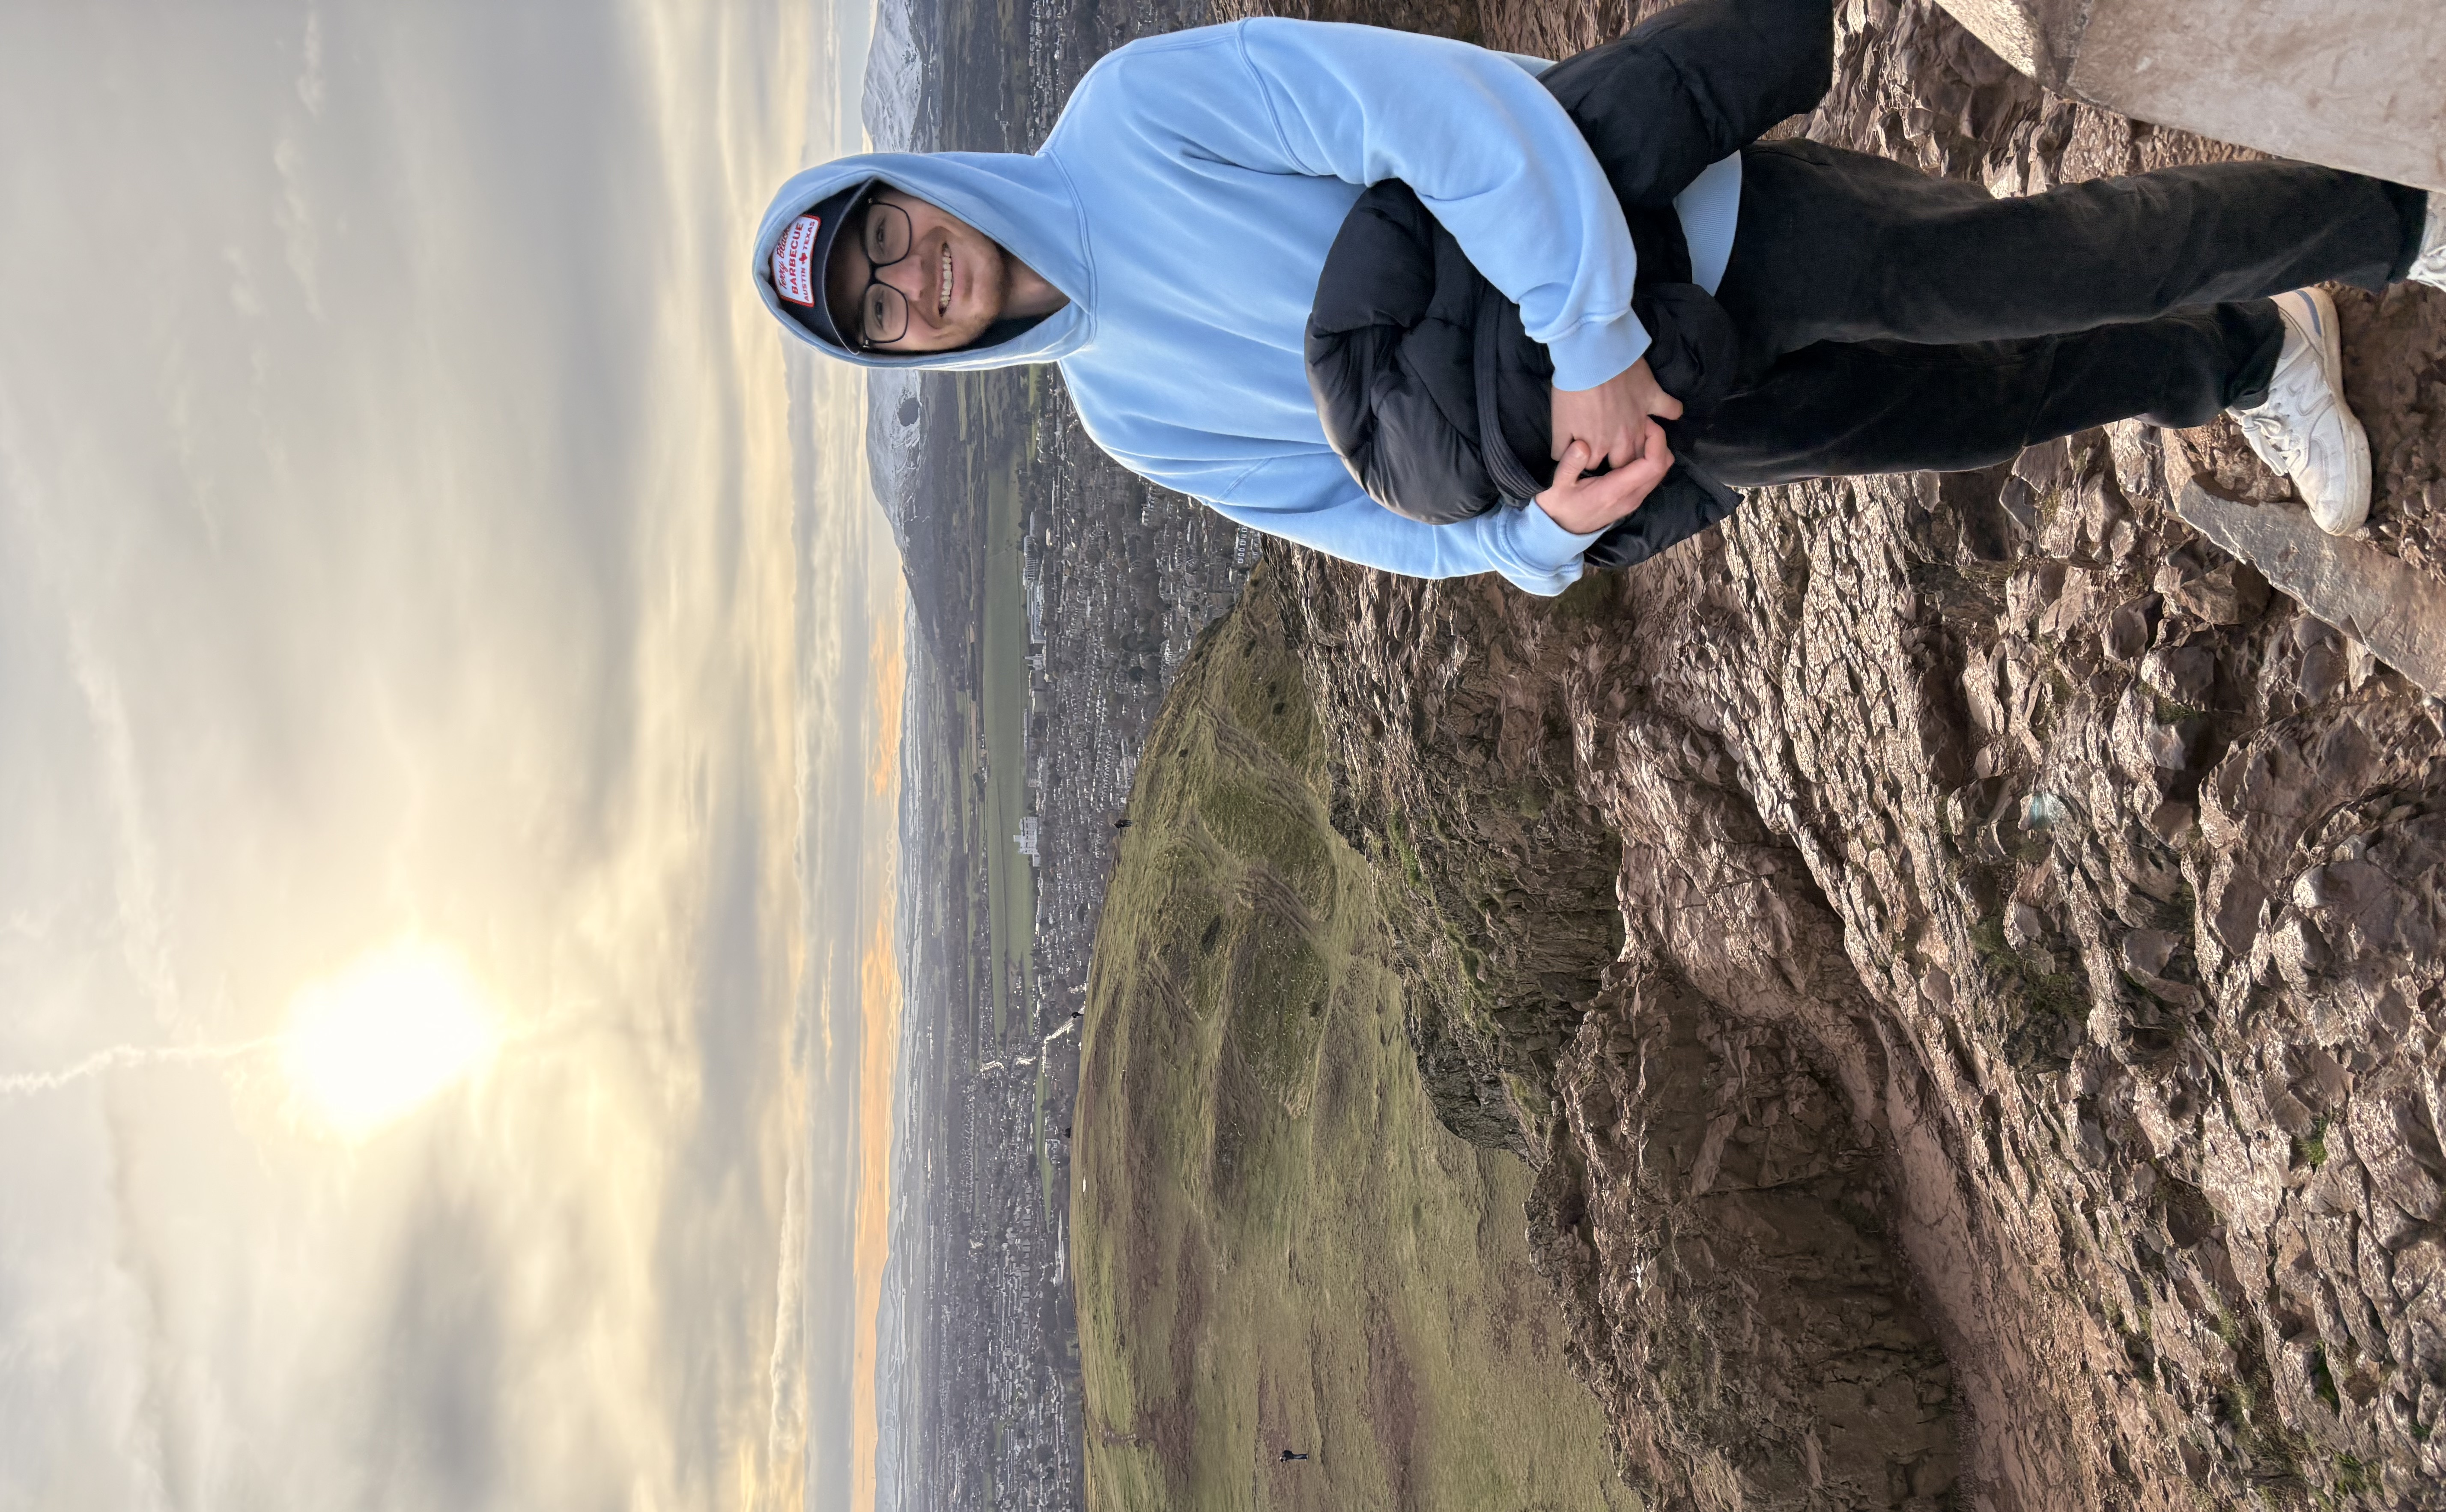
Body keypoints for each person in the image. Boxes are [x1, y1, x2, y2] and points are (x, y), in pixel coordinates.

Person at [753, 4, 2446, 598]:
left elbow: (1437, 114)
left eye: (881, 240)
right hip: (1666, 443)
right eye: (877, 311)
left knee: (2033, 267)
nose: (910, 280)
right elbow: (1363, 522)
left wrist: (1590, 350)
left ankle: (2392, 220)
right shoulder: (1122, 412)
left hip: (1677, 248)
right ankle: (2247, 360)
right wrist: (1544, 535)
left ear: (908, 184)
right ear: (907, 352)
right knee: (1988, 407)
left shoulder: (1132, 116)